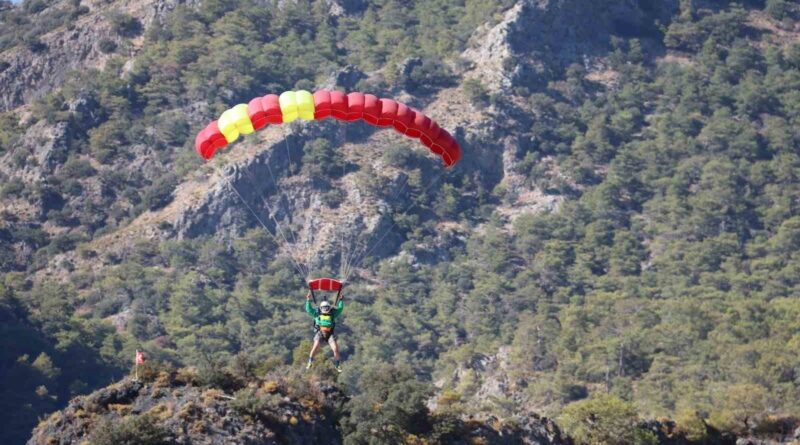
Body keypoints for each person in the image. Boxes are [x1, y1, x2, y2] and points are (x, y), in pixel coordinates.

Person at [305, 291, 344, 372]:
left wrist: (341, 300)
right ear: (321, 308)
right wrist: (308, 300)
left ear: (329, 307)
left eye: (327, 307)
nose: (325, 309)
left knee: (335, 349)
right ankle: (310, 361)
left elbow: (340, 309)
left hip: (330, 334)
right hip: (320, 333)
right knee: (315, 347)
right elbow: (308, 309)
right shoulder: (317, 313)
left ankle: (337, 364)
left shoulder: (333, 313)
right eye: (324, 308)